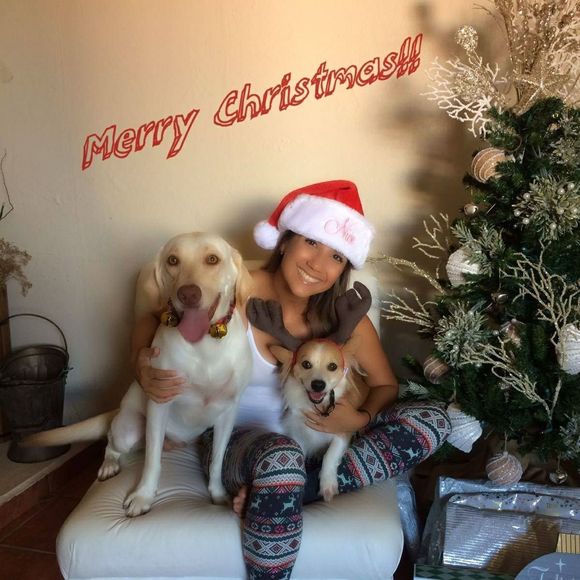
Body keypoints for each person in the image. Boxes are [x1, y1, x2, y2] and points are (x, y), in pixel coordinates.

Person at [131, 180, 451, 580]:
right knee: (283, 458)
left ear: (344, 267)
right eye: (311, 242)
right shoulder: (237, 287)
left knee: (434, 420)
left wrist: (359, 418)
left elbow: (387, 386)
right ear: (285, 242)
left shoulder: (347, 319)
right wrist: (141, 367)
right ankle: (283, 485)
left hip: (317, 443)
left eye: (336, 256)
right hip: (242, 442)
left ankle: (300, 487)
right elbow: (153, 316)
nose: (318, 263)